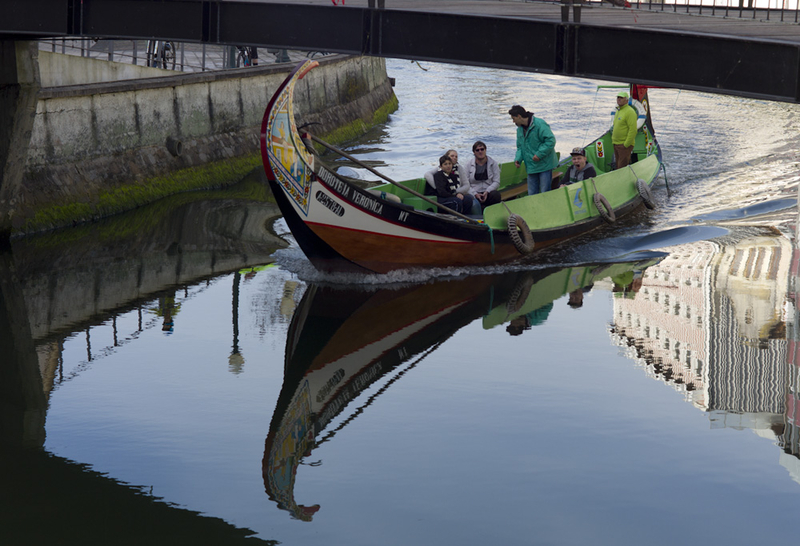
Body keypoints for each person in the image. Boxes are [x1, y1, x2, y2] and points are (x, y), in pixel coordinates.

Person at [508, 104, 557, 195]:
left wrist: (539, 154)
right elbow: (520, 147)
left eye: (513, 118)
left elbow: (550, 141)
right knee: (532, 194)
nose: (513, 121)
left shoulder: (539, 124)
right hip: (531, 167)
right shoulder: (519, 130)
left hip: (544, 165)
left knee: (545, 193)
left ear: (519, 116)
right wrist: (518, 159)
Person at [466, 141, 502, 210]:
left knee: (496, 195)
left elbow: (497, 182)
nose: (480, 152)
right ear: (474, 152)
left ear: (485, 150)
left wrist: (487, 191)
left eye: (482, 149)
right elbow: (466, 183)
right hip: (475, 193)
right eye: (477, 150)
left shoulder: (493, 163)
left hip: (488, 192)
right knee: (470, 201)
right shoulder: (468, 165)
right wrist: (475, 193)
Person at [612, 91, 637, 170]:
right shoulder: (618, 111)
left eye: (621, 98)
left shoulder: (630, 112)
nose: (619, 99)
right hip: (616, 144)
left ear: (626, 100)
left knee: (621, 167)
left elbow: (633, 130)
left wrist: (626, 144)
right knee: (618, 166)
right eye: (618, 97)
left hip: (624, 145)